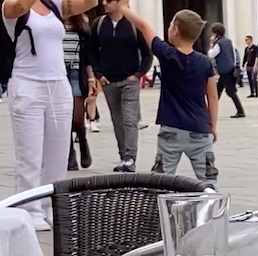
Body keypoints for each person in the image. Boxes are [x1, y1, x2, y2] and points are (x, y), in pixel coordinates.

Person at [3, 0, 99, 230]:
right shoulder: (11, 6)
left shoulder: (55, 5)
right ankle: (29, 209)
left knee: (57, 155)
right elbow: (20, 6)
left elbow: (90, 2)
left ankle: (51, 206)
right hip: (27, 84)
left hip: (58, 84)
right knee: (30, 155)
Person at [118, 3, 217, 188]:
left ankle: (160, 214)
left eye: (171, 25)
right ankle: (214, 213)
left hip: (171, 127)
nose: (168, 28)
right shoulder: (205, 62)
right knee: (208, 181)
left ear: (176, 31)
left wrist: (123, 8)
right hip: (199, 128)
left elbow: (144, 27)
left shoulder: (167, 55)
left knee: (162, 181)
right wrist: (213, 125)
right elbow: (212, 97)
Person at [91, 0, 152, 173]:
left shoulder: (133, 24)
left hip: (129, 80)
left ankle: (130, 157)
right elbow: (92, 50)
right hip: (109, 81)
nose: (105, 3)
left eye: (109, 1)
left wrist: (138, 74)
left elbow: (147, 52)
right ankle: (123, 156)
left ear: (119, 3)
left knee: (129, 119)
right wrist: (98, 74)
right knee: (117, 121)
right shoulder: (100, 24)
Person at [64, 14, 93, 171]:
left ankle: (82, 141)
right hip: (59, 73)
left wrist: (91, 78)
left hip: (76, 72)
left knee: (77, 117)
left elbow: (87, 56)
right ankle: (70, 155)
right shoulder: (52, 22)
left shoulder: (81, 27)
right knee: (63, 117)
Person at [208, 23, 244, 118]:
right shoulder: (229, 41)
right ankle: (210, 110)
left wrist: (211, 44)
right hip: (230, 68)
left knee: (231, 91)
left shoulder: (219, 43)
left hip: (224, 70)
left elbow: (211, 55)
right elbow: (234, 53)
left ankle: (240, 111)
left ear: (216, 34)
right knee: (218, 90)